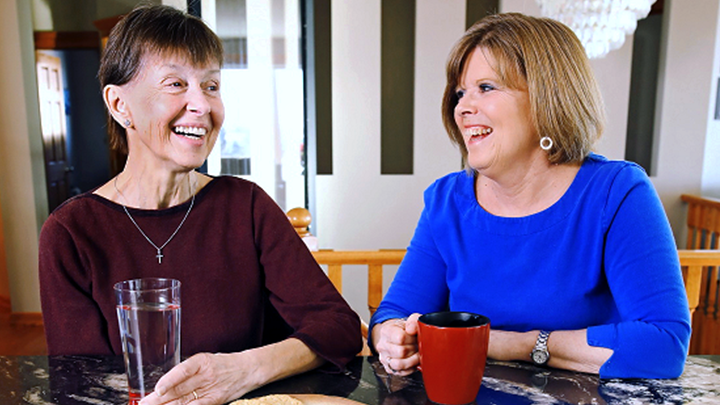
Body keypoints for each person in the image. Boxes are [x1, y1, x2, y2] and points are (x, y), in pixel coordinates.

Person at [38, 5, 362, 405]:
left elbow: (339, 327)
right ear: (120, 105)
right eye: (175, 84)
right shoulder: (71, 231)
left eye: (211, 86)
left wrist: (244, 370)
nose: (203, 105)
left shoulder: (246, 205)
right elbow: (76, 384)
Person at [369, 12, 690, 380]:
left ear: (546, 97)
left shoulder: (618, 193)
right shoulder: (446, 201)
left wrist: (514, 345)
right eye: (460, 92)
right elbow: (393, 313)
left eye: (486, 88)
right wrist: (391, 338)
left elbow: (663, 345)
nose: (462, 107)